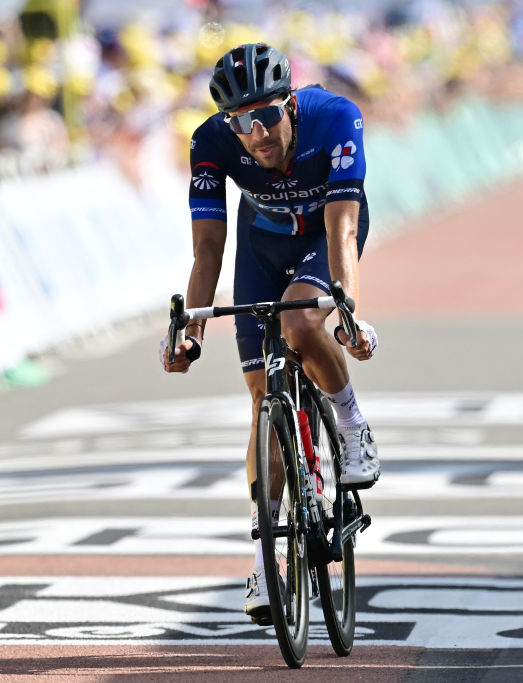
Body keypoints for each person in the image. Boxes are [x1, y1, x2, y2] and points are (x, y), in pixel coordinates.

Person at [160, 43, 381, 623]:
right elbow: (208, 245)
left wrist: (346, 306)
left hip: (323, 238)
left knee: (301, 319)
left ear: (290, 104)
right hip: (260, 247)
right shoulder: (210, 142)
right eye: (241, 121)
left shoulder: (335, 117)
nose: (256, 132)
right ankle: (267, 555)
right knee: (263, 403)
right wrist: (193, 332)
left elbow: (343, 222)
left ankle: (351, 420)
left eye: (267, 115)